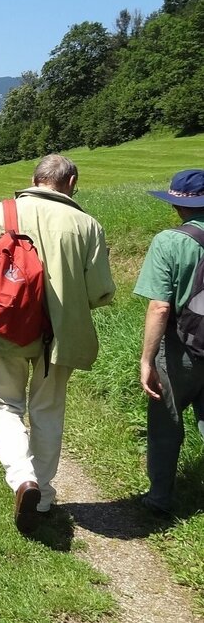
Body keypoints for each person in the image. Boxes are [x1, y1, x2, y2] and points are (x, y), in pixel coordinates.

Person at [0, 155, 116, 534]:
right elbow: (100, 292)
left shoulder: (1, 213)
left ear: (34, 179)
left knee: (3, 405)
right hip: (61, 335)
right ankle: (41, 495)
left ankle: (21, 477)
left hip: (7, 329)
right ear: (71, 182)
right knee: (48, 410)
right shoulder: (88, 225)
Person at [134, 169, 204, 516]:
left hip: (181, 348)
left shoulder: (170, 241)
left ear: (177, 205)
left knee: (166, 422)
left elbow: (160, 305)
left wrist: (147, 360)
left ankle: (159, 498)